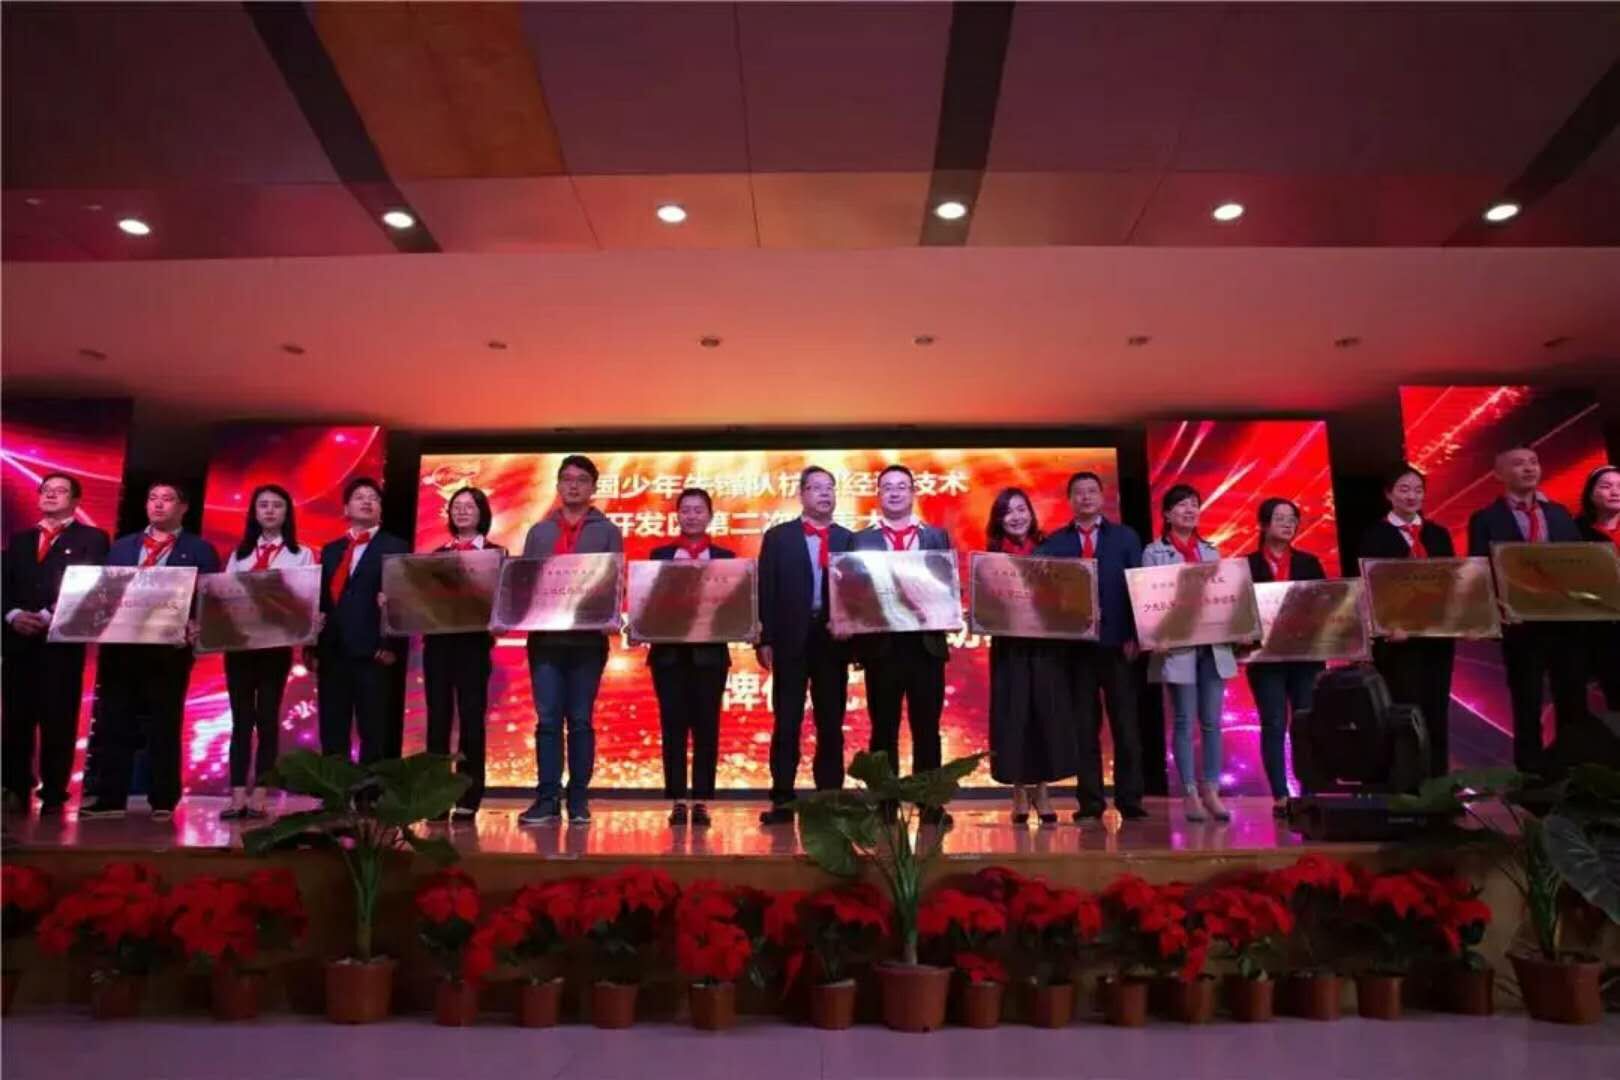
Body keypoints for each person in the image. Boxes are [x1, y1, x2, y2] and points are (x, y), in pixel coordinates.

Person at [81, 481, 220, 820]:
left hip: (168, 650)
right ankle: (110, 799)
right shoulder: (122, 547)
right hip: (121, 648)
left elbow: (212, 598)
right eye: (152, 498)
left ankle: (163, 799)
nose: (158, 504)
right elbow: (105, 593)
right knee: (115, 721)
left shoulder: (199, 549)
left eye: (167, 499)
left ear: (183, 507)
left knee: (164, 723)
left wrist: (197, 624)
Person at [517, 455, 623, 826]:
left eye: (581, 480)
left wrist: (611, 615)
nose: (573, 485)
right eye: (566, 479)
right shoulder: (539, 532)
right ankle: (546, 798)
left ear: (593, 487)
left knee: (580, 720)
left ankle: (578, 798)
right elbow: (525, 581)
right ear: (558, 485)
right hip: (545, 639)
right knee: (547, 720)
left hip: (588, 641)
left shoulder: (607, 531)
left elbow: (615, 581)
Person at [1035, 471, 1147, 822]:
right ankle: (1090, 803)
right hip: (1075, 650)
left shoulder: (1125, 538)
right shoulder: (1055, 543)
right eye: (1078, 493)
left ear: (1102, 496)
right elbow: (1045, 597)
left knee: (1126, 726)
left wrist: (1137, 634)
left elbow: (1139, 588)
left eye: (1091, 491)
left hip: (1118, 645)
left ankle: (1130, 800)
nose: (1085, 497)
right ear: (1070, 500)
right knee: (1084, 729)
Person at [1467, 447, 1586, 772]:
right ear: (1498, 474)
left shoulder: (1559, 514)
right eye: (1518, 464)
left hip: (1565, 624)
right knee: (1526, 701)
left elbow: (1581, 563)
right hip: (1520, 626)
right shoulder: (1485, 519)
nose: (1529, 468)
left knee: (1572, 698)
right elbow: (1480, 572)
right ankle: (1531, 776)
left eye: (1533, 462)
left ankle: (1574, 772)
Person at [851, 464, 956, 827]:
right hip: (882, 648)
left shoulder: (936, 537)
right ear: (878, 494)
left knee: (927, 728)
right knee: (883, 729)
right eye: (887, 487)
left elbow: (947, 584)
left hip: (925, 647)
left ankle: (930, 804)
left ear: (913, 492)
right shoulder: (861, 541)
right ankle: (885, 804)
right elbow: (854, 593)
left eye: (901, 486)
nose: (894, 492)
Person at [2, 472, 111, 815]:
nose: (50, 495)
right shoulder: (20, 540)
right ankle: (15, 786)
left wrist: (50, 615)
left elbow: (92, 583)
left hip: (60, 643)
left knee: (58, 719)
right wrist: (12, 615)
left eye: (60, 491)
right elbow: (4, 584)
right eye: (46, 490)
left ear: (76, 501)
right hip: (18, 642)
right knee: (16, 718)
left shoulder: (92, 538)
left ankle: (53, 793)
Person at [756, 466, 853, 826]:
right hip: (789, 639)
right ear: (802, 494)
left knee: (831, 722)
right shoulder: (779, 537)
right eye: (816, 488)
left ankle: (830, 798)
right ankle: (782, 798)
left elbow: (858, 594)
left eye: (830, 488)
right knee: (787, 721)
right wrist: (764, 639)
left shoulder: (848, 539)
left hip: (832, 641)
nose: (824, 494)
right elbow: (765, 589)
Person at [1359, 464, 1460, 778]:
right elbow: (1371, 590)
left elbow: (1452, 582)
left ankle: (1439, 784)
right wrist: (1386, 626)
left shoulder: (1438, 534)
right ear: (1389, 494)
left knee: (1437, 709)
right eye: (1404, 489)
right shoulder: (1374, 536)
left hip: (1438, 639)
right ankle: (1407, 783)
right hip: (1397, 641)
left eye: (1418, 489)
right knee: (1405, 711)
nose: (1412, 496)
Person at [1142, 484, 1235, 823]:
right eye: (1181, 505)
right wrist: (1156, 635)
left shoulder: (1211, 551)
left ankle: (1212, 789)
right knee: (1183, 720)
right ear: (1167, 514)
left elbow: (1226, 597)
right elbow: (1149, 600)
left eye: (1194, 504)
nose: (1189, 510)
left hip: (1213, 647)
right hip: (1177, 647)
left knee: (1212, 722)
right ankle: (1190, 792)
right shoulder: (1154, 552)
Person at [220, 484, 314, 820]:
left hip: (276, 647)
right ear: (254, 513)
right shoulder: (240, 554)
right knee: (241, 721)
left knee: (267, 720)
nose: (270, 511)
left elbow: (304, 599)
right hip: (240, 647)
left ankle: (260, 794)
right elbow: (224, 598)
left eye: (277, 505)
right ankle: (236, 796)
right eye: (264, 505)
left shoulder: (301, 554)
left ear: (287, 513)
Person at [983, 487, 1076, 825]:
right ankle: (1019, 790)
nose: (1016, 517)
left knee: (1044, 715)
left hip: (1046, 647)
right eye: (1008, 512)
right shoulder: (991, 558)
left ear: (1031, 514)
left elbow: (1066, 598)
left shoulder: (1051, 551)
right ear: (999, 520)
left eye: (1021, 509)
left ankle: (1043, 789)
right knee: (1014, 717)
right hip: (1010, 649)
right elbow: (985, 606)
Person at [647, 488, 735, 829]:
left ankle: (701, 801)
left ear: (710, 516)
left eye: (699, 510)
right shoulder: (660, 556)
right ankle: (677, 801)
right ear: (677, 515)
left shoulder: (726, 558)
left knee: (706, 728)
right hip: (668, 656)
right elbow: (648, 604)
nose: (692, 515)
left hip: (709, 657)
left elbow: (733, 605)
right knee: (672, 727)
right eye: (686, 510)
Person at [312, 477, 409, 767]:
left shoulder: (396, 547)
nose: (367, 501)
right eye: (359, 497)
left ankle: (370, 790)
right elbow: (321, 600)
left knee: (373, 729)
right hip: (333, 651)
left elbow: (403, 603)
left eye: (373, 498)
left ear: (381, 509)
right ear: (346, 508)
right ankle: (335, 789)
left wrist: (391, 646)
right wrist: (313, 646)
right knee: (332, 728)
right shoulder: (331, 550)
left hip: (374, 652)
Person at [422, 486, 504, 821]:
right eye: (456, 506)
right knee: (437, 721)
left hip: (474, 647)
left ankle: (469, 796)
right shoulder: (437, 556)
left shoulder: (497, 555)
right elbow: (423, 601)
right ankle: (435, 798)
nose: (462, 511)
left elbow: (505, 600)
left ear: (482, 512)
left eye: (469, 506)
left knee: (471, 721)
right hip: (438, 646)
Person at [1243, 498, 1326, 814]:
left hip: (1306, 659)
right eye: (1280, 518)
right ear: (1263, 525)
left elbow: (1325, 605)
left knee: (1306, 723)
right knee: (1274, 723)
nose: (1288, 524)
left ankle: (1309, 792)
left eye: (1292, 519)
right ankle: (1280, 795)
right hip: (1265, 661)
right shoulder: (1246, 566)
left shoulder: (1309, 563)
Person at [1575, 465, 1620, 712]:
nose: (1615, 492)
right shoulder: (1575, 532)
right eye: (1606, 486)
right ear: (1591, 494)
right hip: (1601, 629)